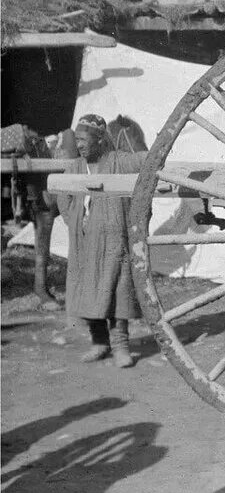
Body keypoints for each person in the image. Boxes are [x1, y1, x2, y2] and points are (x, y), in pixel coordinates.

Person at [55, 115, 144, 368]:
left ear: (100, 139)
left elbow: (144, 160)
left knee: (117, 291)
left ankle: (121, 346)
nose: (80, 145)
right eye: (78, 140)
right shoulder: (74, 168)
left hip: (114, 241)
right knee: (87, 291)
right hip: (84, 242)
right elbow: (63, 196)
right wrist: (74, 221)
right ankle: (99, 342)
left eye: (84, 140)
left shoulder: (118, 161)